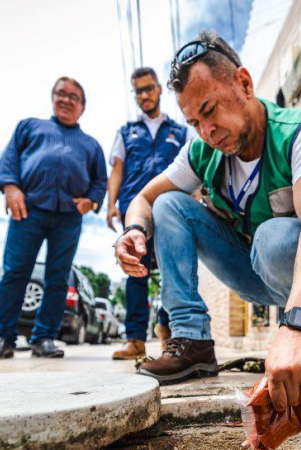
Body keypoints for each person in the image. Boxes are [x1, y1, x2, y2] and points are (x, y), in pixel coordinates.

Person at [114, 32, 301, 414]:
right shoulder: (202, 151)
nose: (206, 131)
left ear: (243, 83)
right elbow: (143, 198)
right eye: (194, 122)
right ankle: (191, 340)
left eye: (209, 110)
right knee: (169, 205)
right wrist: (133, 230)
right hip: (250, 268)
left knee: (273, 238)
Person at [0, 76, 107, 361]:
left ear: (82, 107)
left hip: (69, 216)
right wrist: (10, 187)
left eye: (73, 97)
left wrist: (91, 202)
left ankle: (44, 338)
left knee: (58, 277)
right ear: (53, 98)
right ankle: (1, 336)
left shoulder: (91, 145)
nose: (66, 100)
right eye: (61, 94)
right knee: (14, 272)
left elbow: (101, 180)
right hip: (28, 209)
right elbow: (10, 158)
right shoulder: (30, 126)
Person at [106, 67, 188, 360]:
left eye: (148, 88)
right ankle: (135, 339)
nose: (144, 95)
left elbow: (192, 170)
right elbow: (117, 169)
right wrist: (111, 203)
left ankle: (167, 330)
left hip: (169, 209)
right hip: (134, 210)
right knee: (135, 273)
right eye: (138, 91)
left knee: (171, 270)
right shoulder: (127, 132)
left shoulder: (179, 131)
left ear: (159, 89)